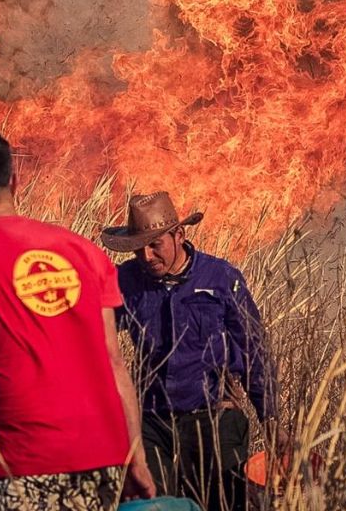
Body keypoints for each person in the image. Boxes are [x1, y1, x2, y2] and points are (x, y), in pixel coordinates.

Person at [0, 130, 156, 511]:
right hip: (103, 458)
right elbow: (114, 361)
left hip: (21, 463)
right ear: (14, 181)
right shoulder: (84, 251)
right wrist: (135, 455)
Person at [102, 192, 286, 511]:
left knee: (226, 503)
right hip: (153, 423)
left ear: (179, 235)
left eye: (155, 244)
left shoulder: (221, 278)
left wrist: (270, 419)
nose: (146, 256)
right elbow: (95, 336)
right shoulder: (124, 282)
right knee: (150, 505)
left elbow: (254, 350)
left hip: (214, 418)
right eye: (138, 249)